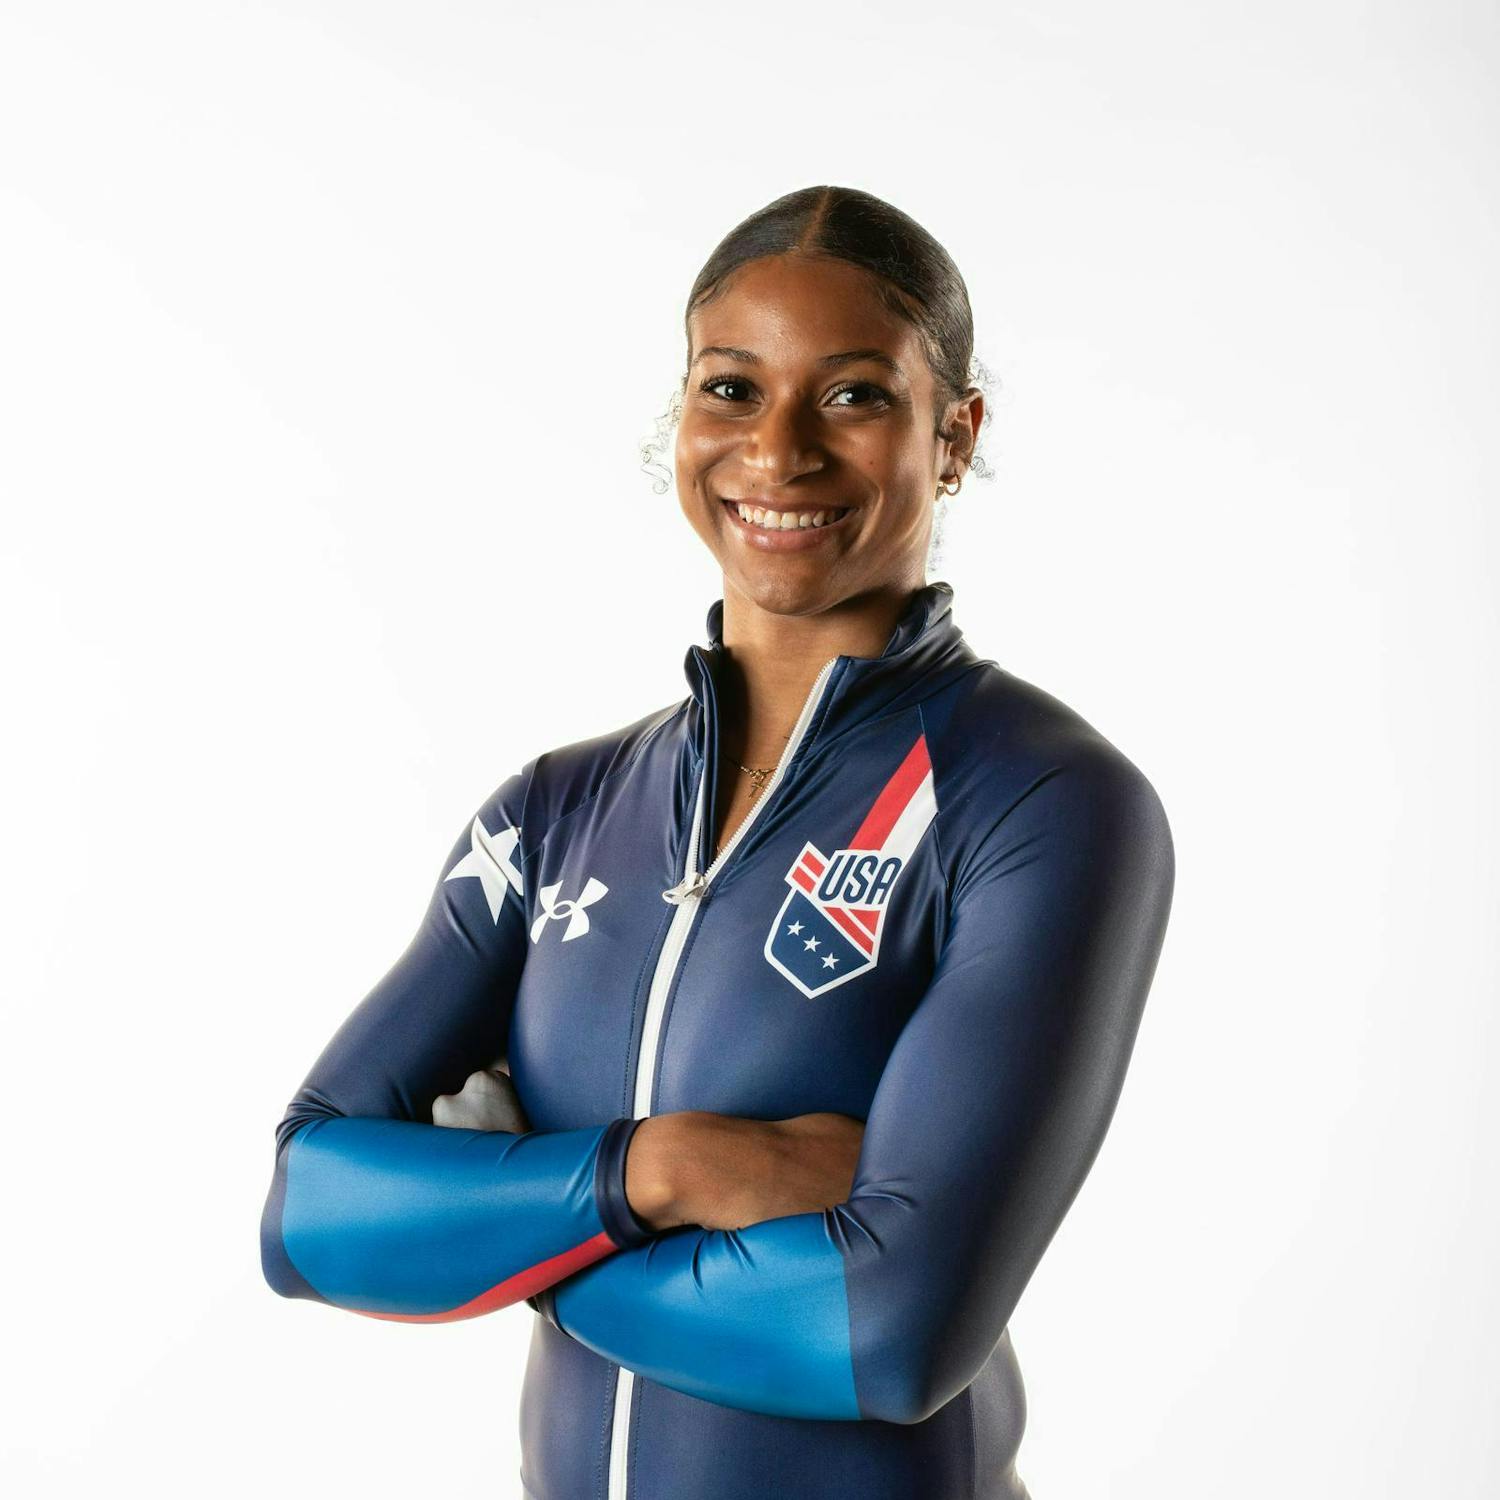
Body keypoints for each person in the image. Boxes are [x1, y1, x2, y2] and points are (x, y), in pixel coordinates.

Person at [259, 184, 1176, 1500]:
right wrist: (663, 1171)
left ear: (955, 434)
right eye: (733, 389)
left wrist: (504, 1233)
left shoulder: (1039, 800)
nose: (779, 450)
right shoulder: (553, 810)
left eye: (853, 394)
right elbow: (309, 1216)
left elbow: (885, 1331)